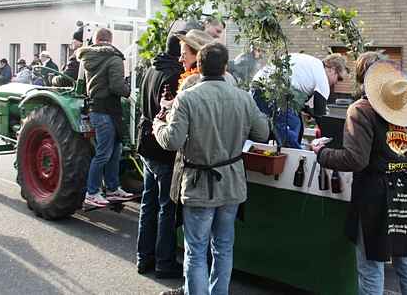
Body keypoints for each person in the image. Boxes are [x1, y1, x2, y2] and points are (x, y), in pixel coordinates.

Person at [312, 59, 407, 295]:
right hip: (405, 194)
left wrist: (322, 153)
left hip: (374, 195)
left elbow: (355, 159)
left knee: (372, 266)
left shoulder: (361, 110)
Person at [153, 42, 269, 295]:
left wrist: (157, 127)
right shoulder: (243, 98)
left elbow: (172, 141)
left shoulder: (187, 98)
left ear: (199, 67)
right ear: (225, 66)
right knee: (224, 247)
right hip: (231, 184)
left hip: (198, 185)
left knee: (195, 251)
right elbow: (263, 132)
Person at [136, 33, 184, 279]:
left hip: (145, 143)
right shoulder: (175, 75)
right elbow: (170, 115)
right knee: (167, 207)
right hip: (162, 146)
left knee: (149, 203)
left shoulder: (151, 68)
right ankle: (165, 261)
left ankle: (144, 257)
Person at [77, 28, 134, 208]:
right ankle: (92, 192)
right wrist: (128, 89)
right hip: (109, 110)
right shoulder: (114, 58)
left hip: (96, 109)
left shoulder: (89, 57)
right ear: (110, 40)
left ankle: (113, 188)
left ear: (96, 40)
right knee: (104, 153)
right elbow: (118, 86)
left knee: (113, 151)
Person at [252, 53, 348, 148]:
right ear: (332, 69)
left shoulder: (311, 64)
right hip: (273, 89)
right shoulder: (322, 77)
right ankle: (295, 158)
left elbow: (299, 101)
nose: (336, 82)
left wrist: (308, 110)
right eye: (338, 78)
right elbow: (321, 115)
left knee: (266, 128)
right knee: (292, 124)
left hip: (258, 85)